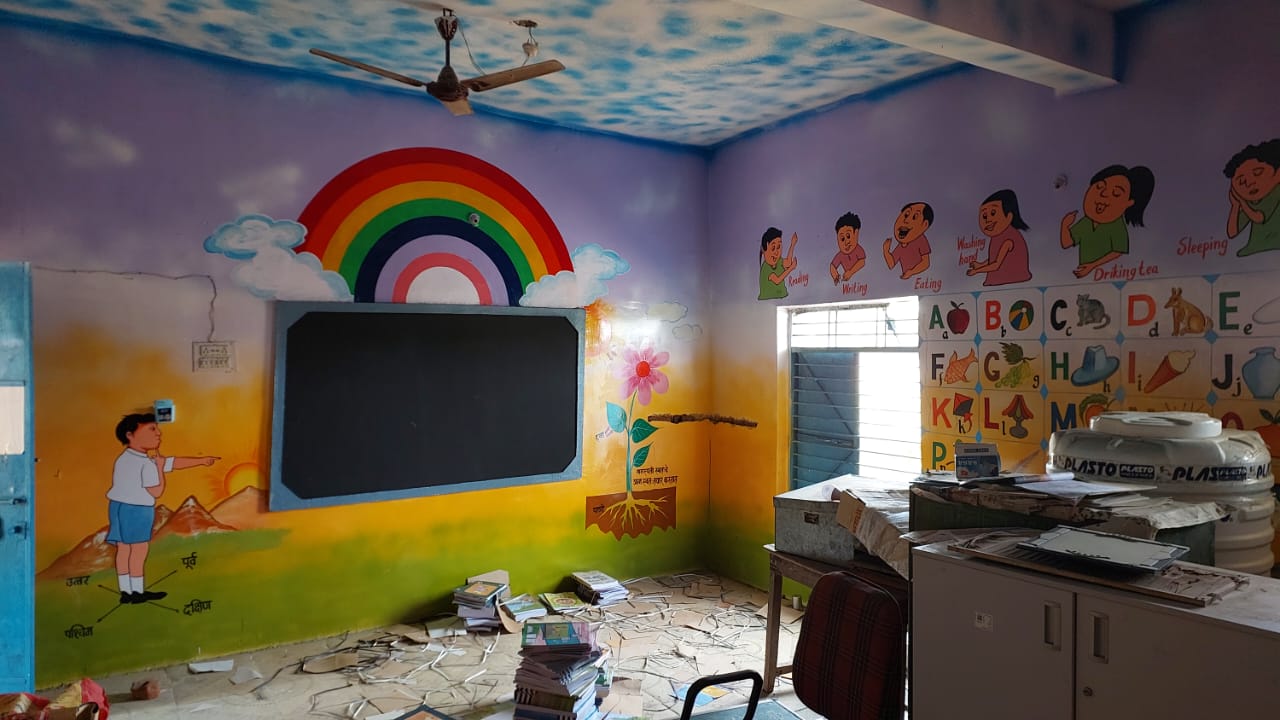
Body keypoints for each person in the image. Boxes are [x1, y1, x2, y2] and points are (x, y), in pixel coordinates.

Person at [107, 413, 219, 605]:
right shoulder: (146, 464)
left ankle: (126, 592)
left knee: (123, 549)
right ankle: (137, 592)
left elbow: (172, 462)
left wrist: (201, 460)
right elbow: (157, 491)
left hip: (117, 506)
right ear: (130, 435)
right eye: (151, 429)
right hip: (137, 510)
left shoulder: (125, 458)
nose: (158, 433)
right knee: (139, 550)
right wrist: (159, 468)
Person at [1059, 164, 1155, 278]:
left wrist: (1092, 266)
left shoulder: (1116, 225)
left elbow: (1118, 251)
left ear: (1128, 203)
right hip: (1085, 277)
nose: (1103, 194)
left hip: (1107, 275)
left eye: (1116, 193)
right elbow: (1066, 243)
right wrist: (1065, 225)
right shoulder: (1086, 222)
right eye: (1099, 186)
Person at [1223, 138, 1280, 257]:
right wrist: (1235, 205)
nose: (1249, 183)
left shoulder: (1276, 191)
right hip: (1255, 252)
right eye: (1241, 181)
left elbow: (1259, 218)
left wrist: (1242, 202)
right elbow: (1232, 232)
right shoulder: (1251, 204)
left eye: (1258, 173)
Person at [968, 189, 1032, 286]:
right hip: (1002, 282)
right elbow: (994, 259)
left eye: (993, 213)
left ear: (1009, 217)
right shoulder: (998, 236)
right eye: (984, 216)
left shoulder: (1009, 238)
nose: (988, 220)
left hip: (1013, 281)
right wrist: (980, 264)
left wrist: (977, 271)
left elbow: (996, 265)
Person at [882, 202, 932, 279]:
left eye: (914, 217)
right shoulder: (902, 245)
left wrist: (912, 272)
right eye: (906, 215)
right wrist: (886, 251)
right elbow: (891, 264)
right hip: (908, 281)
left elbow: (926, 263)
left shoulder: (920, 239)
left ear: (924, 225)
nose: (906, 220)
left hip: (922, 278)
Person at [758, 226, 797, 300]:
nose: (776, 252)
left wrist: (792, 244)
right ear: (764, 251)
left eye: (778, 247)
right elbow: (777, 280)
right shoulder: (766, 268)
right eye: (773, 248)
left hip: (782, 298)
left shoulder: (778, 261)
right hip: (768, 300)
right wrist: (791, 268)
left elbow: (788, 262)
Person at [829, 212, 866, 284]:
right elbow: (832, 266)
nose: (846, 242)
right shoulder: (840, 255)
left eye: (848, 236)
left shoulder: (858, 249)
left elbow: (862, 262)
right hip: (848, 285)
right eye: (842, 239)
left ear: (856, 233)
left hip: (861, 281)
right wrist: (835, 275)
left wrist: (851, 272)